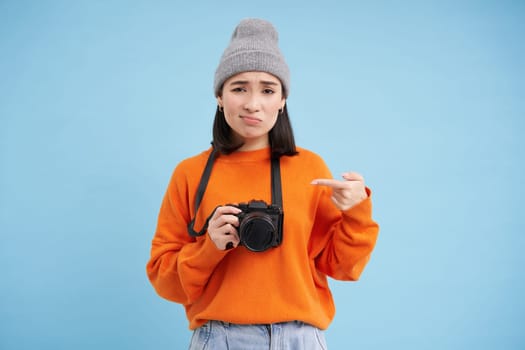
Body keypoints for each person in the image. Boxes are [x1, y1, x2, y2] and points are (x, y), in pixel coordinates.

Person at [146, 18, 379, 349]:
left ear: (282, 100)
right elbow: (165, 282)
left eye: (268, 90)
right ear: (219, 96)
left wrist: (357, 211)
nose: (253, 104)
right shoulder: (190, 174)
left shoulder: (310, 168)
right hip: (219, 338)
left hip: (300, 337)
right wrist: (209, 247)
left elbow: (342, 268)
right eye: (239, 88)